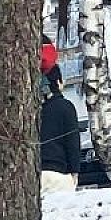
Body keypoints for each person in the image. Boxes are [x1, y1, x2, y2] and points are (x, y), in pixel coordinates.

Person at [39, 64, 81, 195]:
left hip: (35, 172)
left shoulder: (33, 111)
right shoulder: (66, 107)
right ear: (58, 82)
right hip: (59, 173)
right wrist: (75, 171)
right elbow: (72, 142)